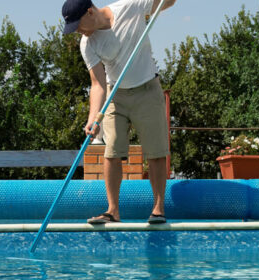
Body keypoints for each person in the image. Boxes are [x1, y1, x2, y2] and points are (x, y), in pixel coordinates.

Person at [61, 0, 175, 224]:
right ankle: (112, 211)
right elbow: (97, 84)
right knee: (111, 152)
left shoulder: (129, 7)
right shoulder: (88, 44)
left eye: (78, 25)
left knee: (155, 151)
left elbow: (168, 2)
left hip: (147, 89)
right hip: (116, 96)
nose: (79, 32)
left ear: (90, 11)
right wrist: (92, 118)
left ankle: (158, 209)